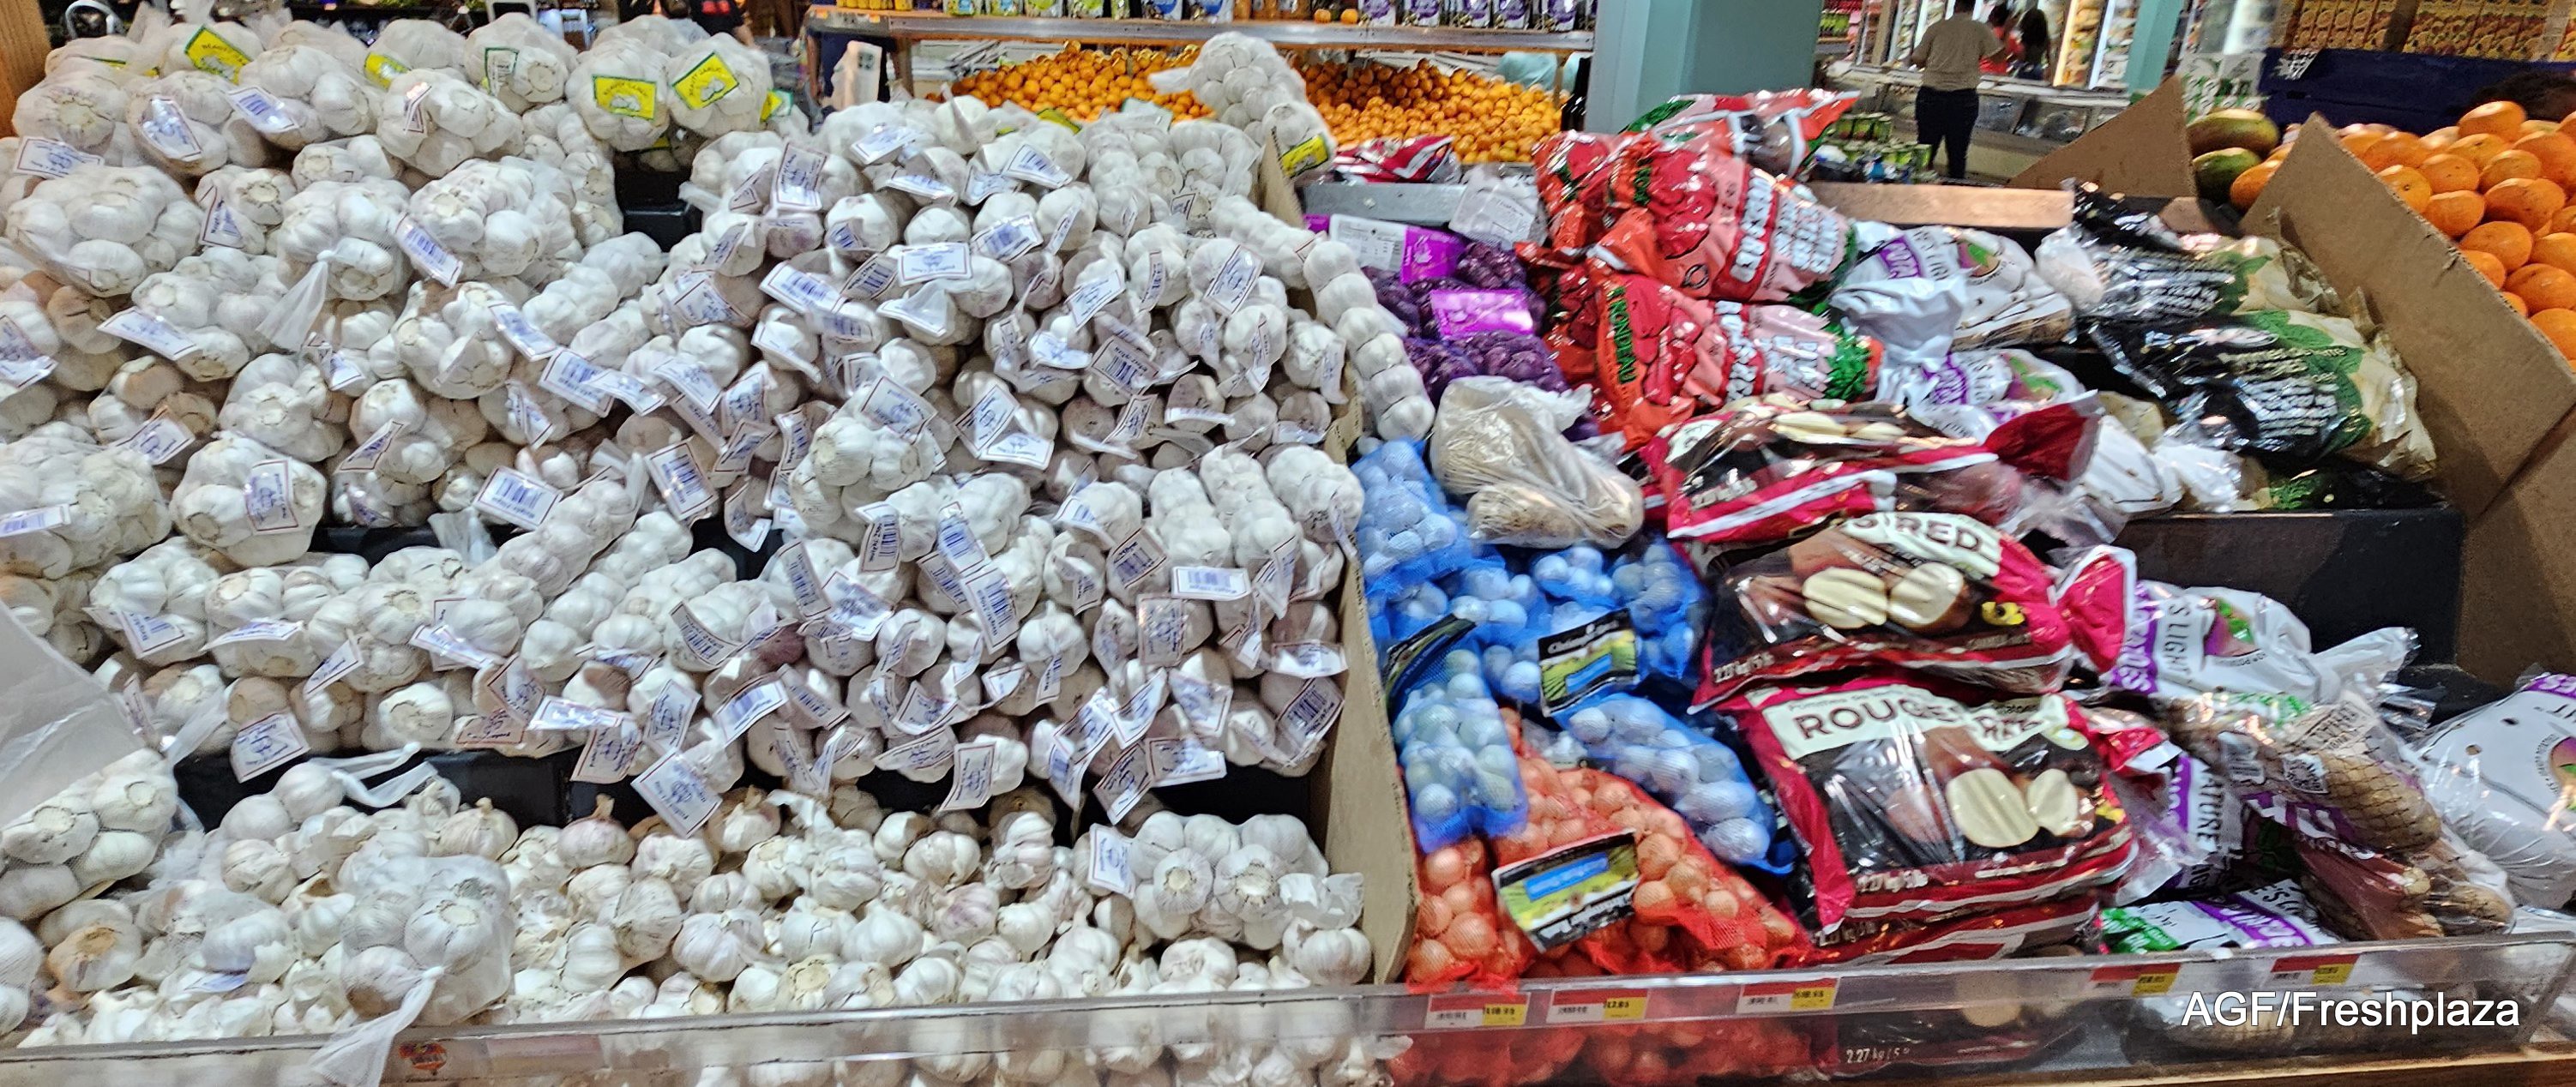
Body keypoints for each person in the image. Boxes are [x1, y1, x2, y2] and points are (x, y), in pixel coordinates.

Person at [1909, 0, 2007, 180]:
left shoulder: (1936, 27)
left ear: (1955, 6)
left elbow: (1918, 60)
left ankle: (1916, 186)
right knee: (1958, 155)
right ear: (1973, 7)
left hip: (1930, 96)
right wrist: (2005, 31)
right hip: (1963, 100)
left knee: (1924, 151)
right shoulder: (1980, 29)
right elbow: (1999, 58)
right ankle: (1955, 189)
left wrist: (1937, 61)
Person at [2016, 4, 2053, 81]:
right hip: (2038, 70)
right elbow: (2049, 56)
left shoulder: (2025, 39)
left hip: (2025, 69)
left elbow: (2021, 57)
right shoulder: (2045, 38)